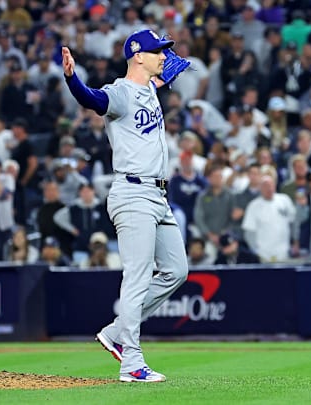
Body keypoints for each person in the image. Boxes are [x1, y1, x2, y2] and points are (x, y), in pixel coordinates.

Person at [63, 30, 190, 382]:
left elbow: (170, 70)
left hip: (158, 196)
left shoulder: (149, 86)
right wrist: (73, 78)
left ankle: (117, 332)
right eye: (157, 51)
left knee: (177, 271)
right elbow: (92, 99)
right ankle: (131, 362)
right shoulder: (120, 92)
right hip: (133, 193)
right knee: (136, 277)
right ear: (138, 56)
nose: (164, 56)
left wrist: (167, 63)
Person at [242, 175, 296, 262]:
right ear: (260, 188)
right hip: (263, 254)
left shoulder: (284, 200)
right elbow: (249, 232)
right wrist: (256, 251)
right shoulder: (254, 205)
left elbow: (293, 222)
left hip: (283, 252)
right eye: (265, 186)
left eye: (271, 185)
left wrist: (294, 243)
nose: (269, 188)